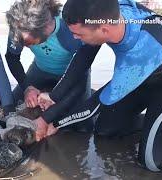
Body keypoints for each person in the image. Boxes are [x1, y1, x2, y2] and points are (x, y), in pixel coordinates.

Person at [37, 0, 162, 172]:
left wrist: (53, 123)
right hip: (137, 80)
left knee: (154, 162)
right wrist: (53, 96)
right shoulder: (107, 12)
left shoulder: (142, 51)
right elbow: (83, 57)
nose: (75, 38)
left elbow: (94, 105)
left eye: (78, 34)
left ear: (104, 30)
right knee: (105, 130)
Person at [5, 0, 95, 134]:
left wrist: (51, 107)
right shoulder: (19, 27)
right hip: (40, 69)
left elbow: (79, 76)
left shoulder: (71, 28)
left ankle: (90, 93)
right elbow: (12, 58)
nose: (22, 45)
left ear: (45, 27)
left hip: (73, 73)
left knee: (82, 127)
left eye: (26, 42)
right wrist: (27, 87)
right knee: (12, 106)